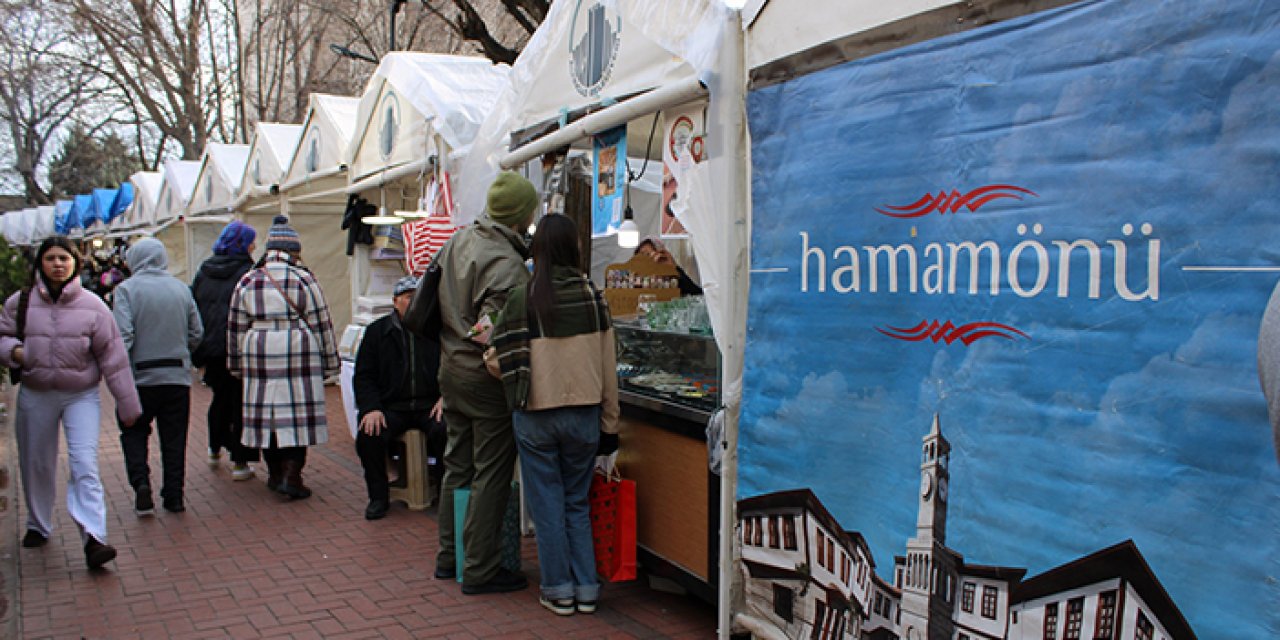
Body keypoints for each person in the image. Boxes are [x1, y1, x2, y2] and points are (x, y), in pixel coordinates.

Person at [488, 214, 620, 616]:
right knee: (577, 503)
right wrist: (610, 424)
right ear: (574, 248)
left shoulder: (521, 298)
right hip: (583, 415)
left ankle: (558, 589)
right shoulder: (593, 297)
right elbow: (609, 366)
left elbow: (496, 361)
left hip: (536, 414)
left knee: (547, 504)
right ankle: (586, 589)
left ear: (538, 250)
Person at [0, 237, 142, 569]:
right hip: (36, 393)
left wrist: (127, 404)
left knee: (84, 463)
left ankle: (94, 537)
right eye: (51, 258)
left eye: (64, 258)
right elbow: (3, 336)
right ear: (40, 264)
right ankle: (38, 523)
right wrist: (16, 353)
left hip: (81, 395)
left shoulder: (93, 306)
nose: (58, 264)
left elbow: (114, 357)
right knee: (37, 462)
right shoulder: (19, 303)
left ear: (75, 263)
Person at [433, 171, 537, 594]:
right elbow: (488, 330)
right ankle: (480, 568)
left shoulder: (459, 240)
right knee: (491, 471)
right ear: (520, 216)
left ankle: (449, 556)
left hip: (450, 369)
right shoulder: (506, 264)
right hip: (482, 376)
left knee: (457, 464)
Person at [227, 215, 339, 500]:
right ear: (293, 250)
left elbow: (236, 325)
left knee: (266, 416)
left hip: (258, 346)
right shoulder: (304, 278)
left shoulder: (248, 279)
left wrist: (236, 363)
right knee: (296, 416)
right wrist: (330, 361)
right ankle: (292, 474)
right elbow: (321, 320)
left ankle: (275, 473)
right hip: (296, 345)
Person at [111, 238, 203, 515]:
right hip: (176, 376)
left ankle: (141, 483)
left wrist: (121, 372)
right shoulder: (181, 289)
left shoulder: (126, 290)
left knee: (134, 432)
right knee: (174, 439)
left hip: (139, 378)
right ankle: (174, 495)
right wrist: (182, 353)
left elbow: (123, 335)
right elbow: (196, 332)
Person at [353, 275, 446, 520]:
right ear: (395, 302)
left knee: (447, 430)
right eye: (407, 297)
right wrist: (371, 408)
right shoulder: (377, 332)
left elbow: (453, 366)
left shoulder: (437, 330)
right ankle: (378, 496)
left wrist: (446, 395)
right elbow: (364, 376)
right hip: (392, 407)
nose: (413, 302)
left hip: (430, 404)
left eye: (418, 298)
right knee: (369, 435)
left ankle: (445, 489)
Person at [192, 221, 260, 480]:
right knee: (240, 402)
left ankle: (214, 447)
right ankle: (240, 461)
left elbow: (195, 307)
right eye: (252, 240)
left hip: (210, 348)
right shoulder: (248, 273)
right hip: (238, 347)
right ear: (243, 244)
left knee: (219, 398)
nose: (255, 245)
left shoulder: (205, 270)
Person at [634, 237, 702, 296]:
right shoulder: (639, 284)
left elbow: (698, 295)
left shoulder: (674, 280)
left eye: (647, 254)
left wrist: (674, 268)